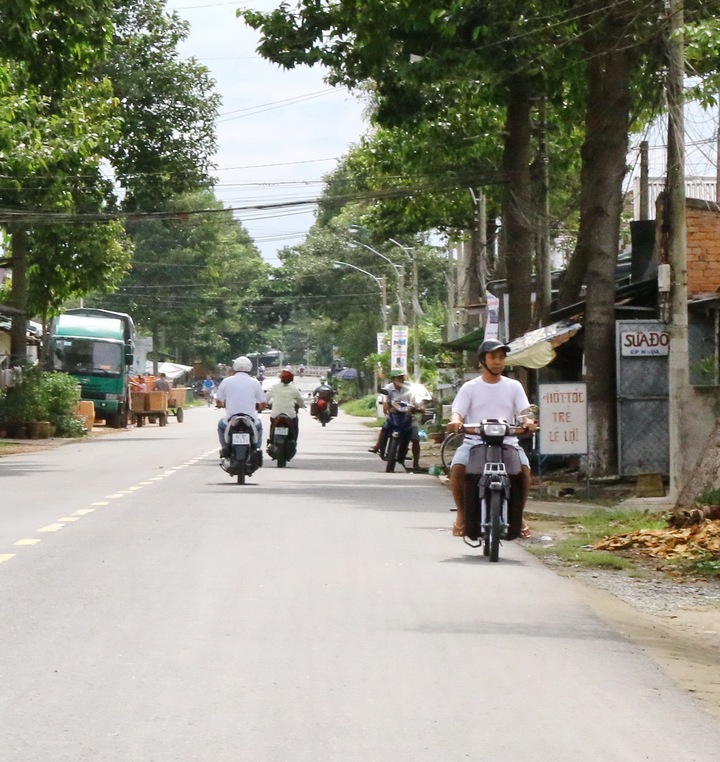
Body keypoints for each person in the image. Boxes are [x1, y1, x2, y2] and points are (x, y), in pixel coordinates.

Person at [447, 339, 537, 538]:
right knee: (457, 468)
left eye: (501, 358)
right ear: (482, 360)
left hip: (508, 443)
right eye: (493, 357)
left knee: (524, 471)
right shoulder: (469, 388)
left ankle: (518, 515)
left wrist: (529, 422)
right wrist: (455, 422)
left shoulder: (514, 386)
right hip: (474, 443)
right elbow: (457, 413)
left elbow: (524, 413)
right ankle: (462, 515)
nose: (498, 362)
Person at [368, 369, 427, 473]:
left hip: (408, 416)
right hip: (395, 415)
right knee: (385, 427)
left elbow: (415, 398)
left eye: (402, 377)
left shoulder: (409, 387)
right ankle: (377, 446)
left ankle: (416, 463)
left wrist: (418, 406)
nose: (401, 379)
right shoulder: (388, 388)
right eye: (398, 378)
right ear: (393, 379)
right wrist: (386, 407)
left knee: (416, 439)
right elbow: (385, 399)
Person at [215, 356, 266, 455]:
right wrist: (260, 407)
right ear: (250, 367)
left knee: (221, 426)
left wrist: (221, 405)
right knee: (259, 426)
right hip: (251, 419)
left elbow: (218, 401)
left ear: (234, 367)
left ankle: (225, 448)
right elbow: (262, 403)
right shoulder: (255, 382)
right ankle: (257, 449)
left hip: (230, 419)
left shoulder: (226, 381)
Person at [265, 368, 305, 441]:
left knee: (272, 425)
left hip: (275, 414)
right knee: (295, 425)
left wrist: (265, 404)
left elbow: (266, 398)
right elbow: (300, 400)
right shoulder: (294, 389)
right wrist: (302, 405)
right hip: (290, 415)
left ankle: (271, 440)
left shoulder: (275, 387)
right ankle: (294, 440)